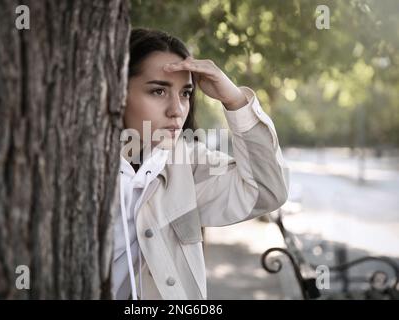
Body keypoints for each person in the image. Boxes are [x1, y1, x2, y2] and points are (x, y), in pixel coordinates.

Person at [112, 28, 289, 300]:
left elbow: (267, 190)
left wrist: (235, 100)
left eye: (185, 93)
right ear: (117, 92)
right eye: (158, 91)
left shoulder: (187, 164)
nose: (177, 109)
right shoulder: (69, 170)